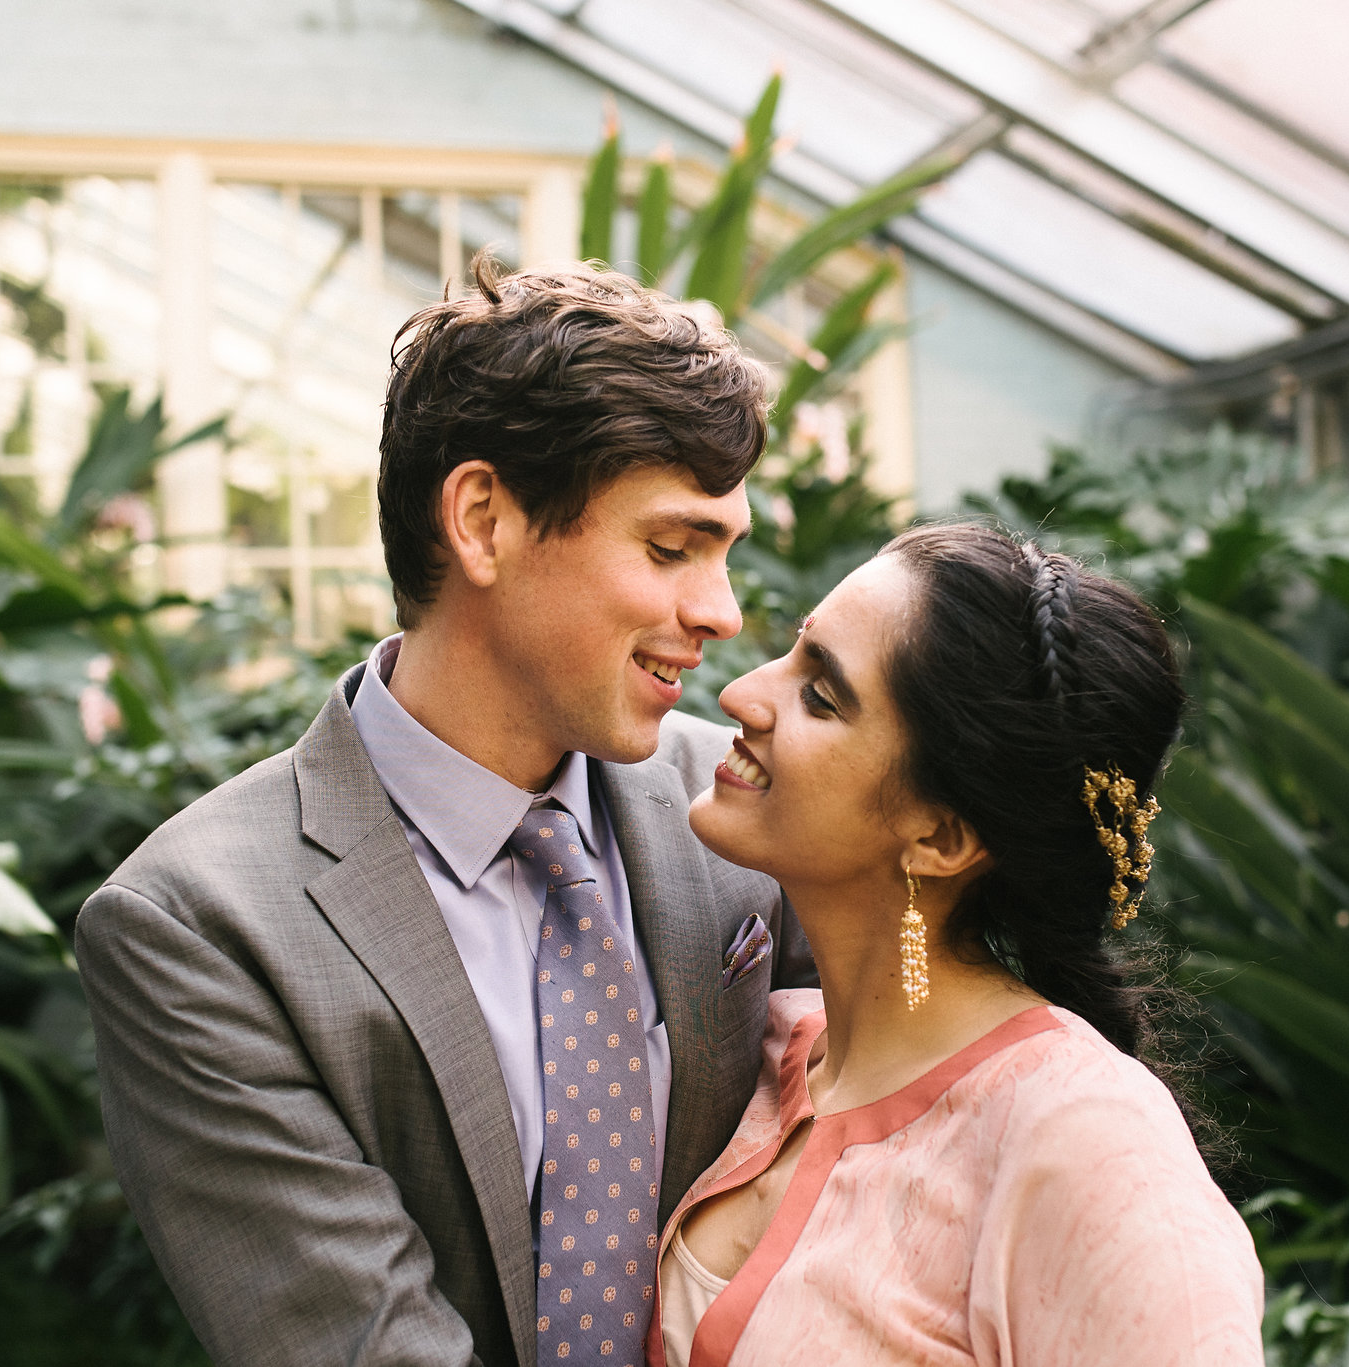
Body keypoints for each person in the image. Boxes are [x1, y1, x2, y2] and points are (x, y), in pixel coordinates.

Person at [74, 261, 815, 1367]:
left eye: (724, 552)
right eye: (669, 547)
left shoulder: (759, 810)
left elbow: (935, 1083)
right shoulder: (196, 925)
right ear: (483, 520)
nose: (717, 610)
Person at [655, 524, 1265, 1366]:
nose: (743, 695)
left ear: (940, 836)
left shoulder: (1088, 1144)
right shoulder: (761, 1048)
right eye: (795, 651)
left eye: (821, 696)